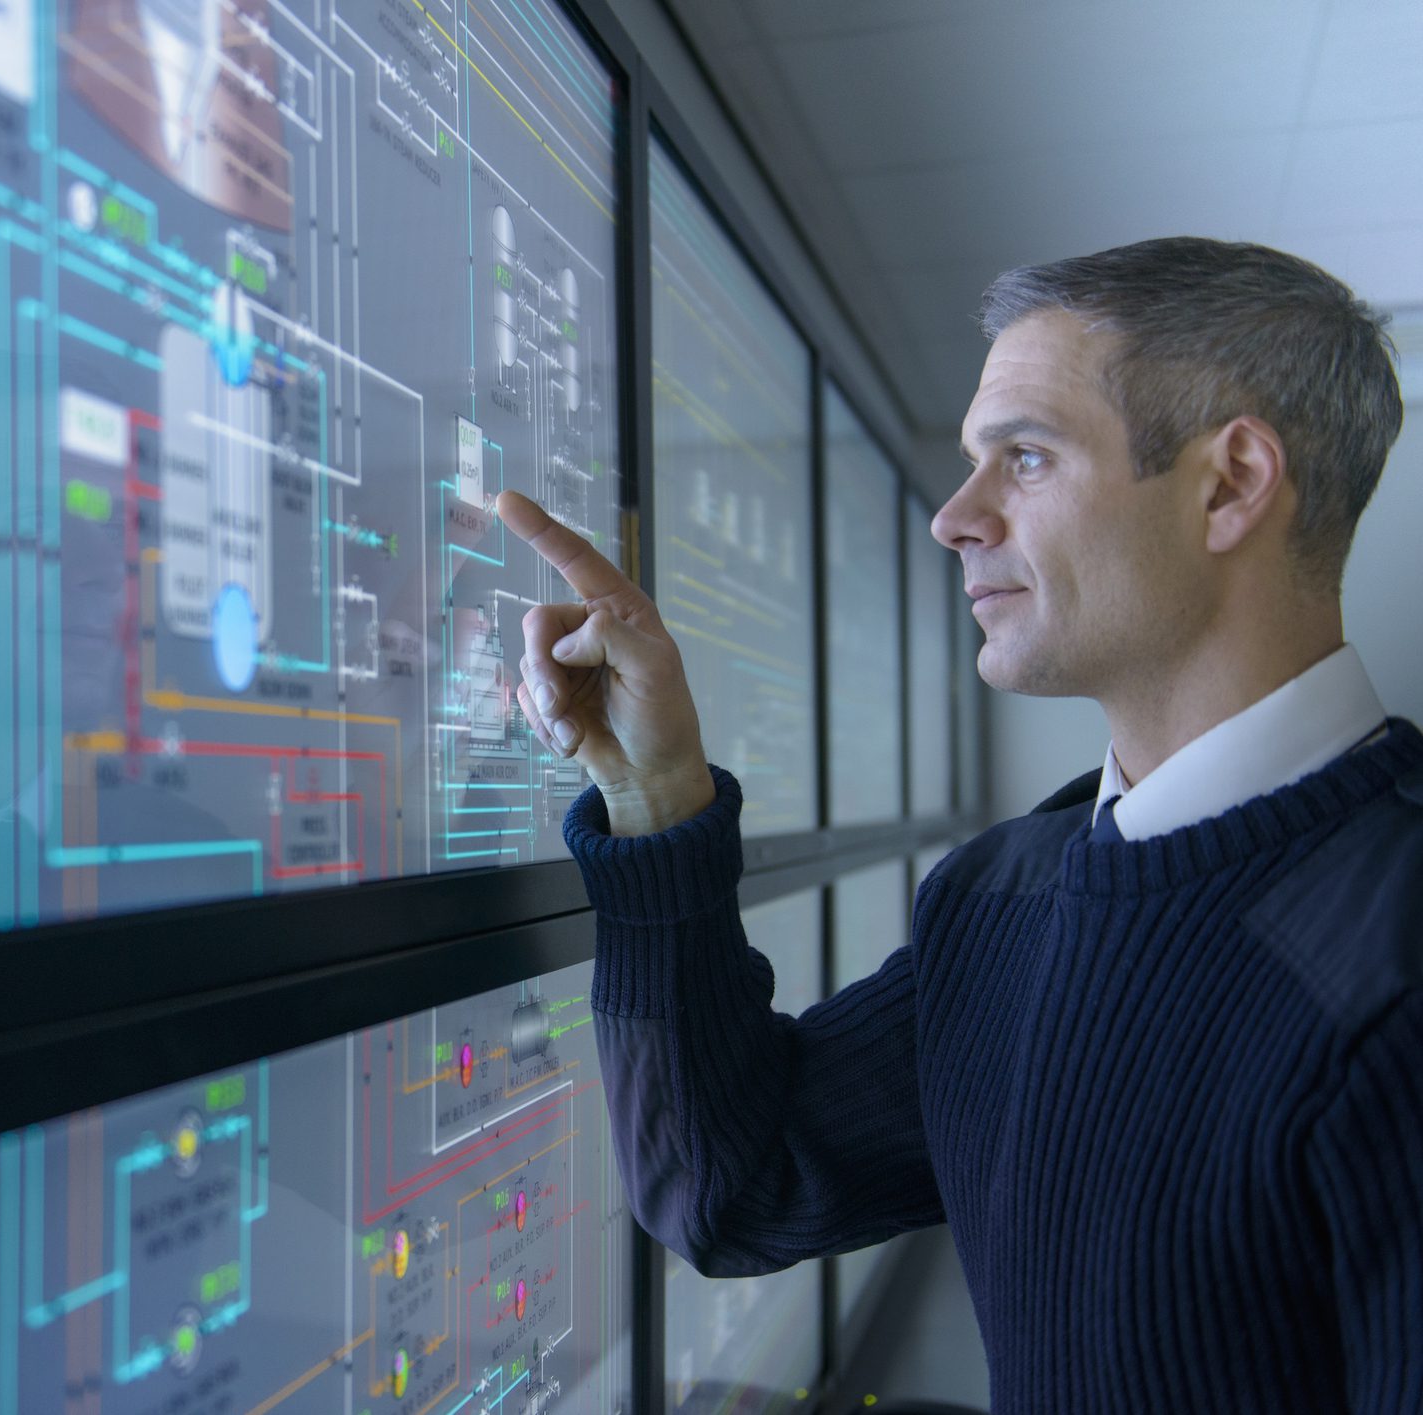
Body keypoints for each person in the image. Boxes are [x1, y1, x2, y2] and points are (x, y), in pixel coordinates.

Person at [496, 237, 1420, 1413]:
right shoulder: (1003, 895)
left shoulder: (1392, 959)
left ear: (1229, 483)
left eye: (1022, 458)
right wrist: (653, 795)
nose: (951, 518)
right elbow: (729, 1187)